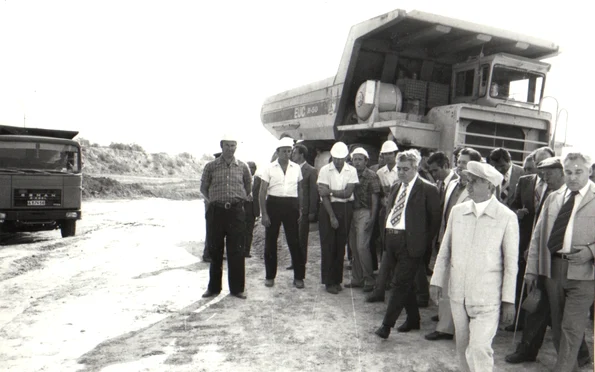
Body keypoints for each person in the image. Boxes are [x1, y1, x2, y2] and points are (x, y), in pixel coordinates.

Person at [430, 161, 519, 372]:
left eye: (475, 181)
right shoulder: (458, 212)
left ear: (490, 186)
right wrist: (436, 281)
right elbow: (445, 250)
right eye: (467, 180)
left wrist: (508, 300)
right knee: (462, 348)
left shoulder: (507, 217)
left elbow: (511, 264)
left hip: (487, 298)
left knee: (479, 348)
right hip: (458, 294)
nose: (468, 186)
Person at [506, 157, 591, 366]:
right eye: (569, 172)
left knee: (571, 327)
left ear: (589, 171)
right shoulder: (554, 198)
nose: (572, 177)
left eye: (578, 172)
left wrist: (590, 251)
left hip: (585, 272)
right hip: (553, 268)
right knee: (559, 326)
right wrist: (531, 270)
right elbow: (538, 235)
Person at [373, 149, 441, 339]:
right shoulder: (396, 187)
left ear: (415, 168)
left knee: (399, 284)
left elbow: (434, 221)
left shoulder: (428, 189)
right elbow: (391, 211)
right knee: (406, 283)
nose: (401, 172)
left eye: (405, 169)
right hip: (392, 240)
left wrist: (422, 244)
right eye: (399, 169)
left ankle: (386, 325)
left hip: (411, 244)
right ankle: (413, 319)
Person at [424, 147, 479, 341]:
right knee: (447, 283)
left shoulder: (481, 187)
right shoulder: (453, 184)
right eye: (459, 162)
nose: (460, 165)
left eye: (464, 162)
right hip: (447, 239)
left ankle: (460, 327)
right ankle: (445, 326)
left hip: (467, 245)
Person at [506, 147, 554, 331]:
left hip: (545, 243)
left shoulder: (556, 185)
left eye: (547, 164)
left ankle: (535, 323)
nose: (542, 169)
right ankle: (519, 320)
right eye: (539, 164)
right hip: (524, 238)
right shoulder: (525, 181)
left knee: (539, 285)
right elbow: (513, 204)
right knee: (520, 279)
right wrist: (516, 212)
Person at [201, 134, 251, 299]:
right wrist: (214, 201)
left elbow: (248, 187)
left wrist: (237, 200)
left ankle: (237, 289)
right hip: (216, 212)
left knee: (236, 251)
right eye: (228, 145)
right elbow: (203, 188)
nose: (231, 148)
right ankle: (213, 288)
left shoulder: (242, 167)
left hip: (236, 212)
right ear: (221, 146)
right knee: (215, 250)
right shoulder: (211, 166)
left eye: (233, 145)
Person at [259, 137, 306, 289]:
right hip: (273, 204)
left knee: (294, 242)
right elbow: (262, 191)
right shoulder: (269, 168)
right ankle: (270, 276)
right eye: (284, 151)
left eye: (289, 151)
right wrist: (264, 214)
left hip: (291, 206)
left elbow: (300, 189)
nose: (287, 154)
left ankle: (299, 277)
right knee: (271, 241)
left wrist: (300, 208)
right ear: (277, 152)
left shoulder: (296, 168)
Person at [317, 141, 359, 294]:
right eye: (335, 158)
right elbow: (323, 195)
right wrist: (332, 217)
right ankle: (329, 282)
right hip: (328, 209)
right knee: (328, 245)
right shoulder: (324, 170)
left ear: (346, 157)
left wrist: (331, 191)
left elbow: (348, 193)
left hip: (346, 208)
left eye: (341, 158)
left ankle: (337, 280)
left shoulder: (351, 170)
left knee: (340, 246)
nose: (338, 161)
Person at [345, 147, 381, 292]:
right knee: (354, 247)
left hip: (365, 212)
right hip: (351, 212)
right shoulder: (349, 174)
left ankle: (369, 279)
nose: (357, 162)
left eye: (360, 159)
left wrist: (372, 217)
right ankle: (357, 278)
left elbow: (375, 198)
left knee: (362, 246)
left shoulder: (372, 176)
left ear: (366, 161)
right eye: (355, 159)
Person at [287, 143, 318, 270]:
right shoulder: (290, 169)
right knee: (292, 237)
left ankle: (300, 264)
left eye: (294, 153)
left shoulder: (311, 170)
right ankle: (294, 262)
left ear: (302, 155)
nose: (292, 155)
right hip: (291, 209)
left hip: (303, 211)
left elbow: (313, 193)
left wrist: (311, 212)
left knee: (301, 239)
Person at [202, 151, 222, 263]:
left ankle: (214, 253)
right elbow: (205, 189)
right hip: (211, 204)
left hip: (215, 203)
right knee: (211, 229)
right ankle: (207, 254)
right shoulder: (211, 170)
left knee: (218, 230)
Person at [243, 161, 260, 258]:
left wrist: (259, 211)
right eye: (249, 167)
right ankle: (240, 250)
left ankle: (247, 251)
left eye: (253, 168)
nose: (251, 170)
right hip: (243, 207)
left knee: (249, 231)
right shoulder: (241, 179)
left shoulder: (259, 180)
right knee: (241, 230)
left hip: (253, 208)